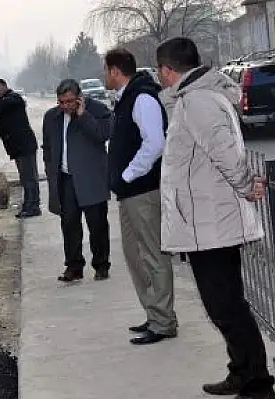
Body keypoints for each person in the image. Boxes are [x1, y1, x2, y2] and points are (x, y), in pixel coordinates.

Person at [156, 37, 272, 399]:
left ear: (166, 70)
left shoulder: (197, 101)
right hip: (206, 221)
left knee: (226, 305)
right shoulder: (195, 98)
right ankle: (241, 371)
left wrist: (245, 183)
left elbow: (224, 150)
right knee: (223, 303)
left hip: (211, 223)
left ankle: (257, 382)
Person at [104, 47, 178, 345]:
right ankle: (155, 313)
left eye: (105, 70)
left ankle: (163, 322)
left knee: (153, 255)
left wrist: (127, 174)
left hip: (143, 191)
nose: (104, 75)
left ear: (114, 70)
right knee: (135, 255)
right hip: (129, 194)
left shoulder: (143, 98)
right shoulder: (126, 99)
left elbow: (155, 143)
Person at [42, 79, 111, 282]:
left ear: (79, 98)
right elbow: (47, 146)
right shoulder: (51, 117)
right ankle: (73, 266)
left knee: (97, 224)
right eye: (61, 102)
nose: (65, 106)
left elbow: (102, 135)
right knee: (69, 224)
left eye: (70, 101)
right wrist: (50, 169)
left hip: (91, 178)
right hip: (65, 179)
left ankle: (101, 264)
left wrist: (83, 116)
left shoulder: (98, 110)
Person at [0, 78, 41, 218]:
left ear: (5, 86)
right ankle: (30, 205)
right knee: (25, 177)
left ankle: (32, 206)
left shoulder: (14, 98)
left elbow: (0, 106)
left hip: (25, 145)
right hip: (16, 147)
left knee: (29, 178)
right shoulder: (1, 103)